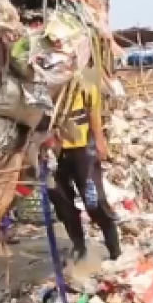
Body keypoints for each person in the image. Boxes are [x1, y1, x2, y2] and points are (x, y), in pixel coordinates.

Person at [47, 83, 121, 262]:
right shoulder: (42, 84)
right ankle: (78, 245)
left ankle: (114, 248)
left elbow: (94, 117)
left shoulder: (84, 87)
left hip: (83, 150)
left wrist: (100, 143)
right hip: (53, 151)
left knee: (95, 200)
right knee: (62, 201)